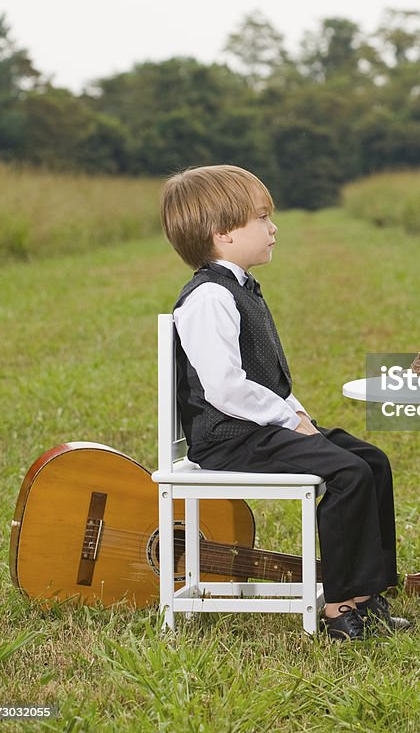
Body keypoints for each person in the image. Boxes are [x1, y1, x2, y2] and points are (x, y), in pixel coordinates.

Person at [160, 164, 406, 641]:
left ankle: (366, 593)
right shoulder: (209, 297)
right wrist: (287, 420)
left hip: (257, 428)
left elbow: (267, 378)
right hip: (228, 440)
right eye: (262, 218)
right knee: (346, 474)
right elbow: (225, 389)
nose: (273, 229)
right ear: (224, 234)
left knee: (370, 461)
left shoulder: (240, 288)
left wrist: (299, 416)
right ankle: (337, 606)